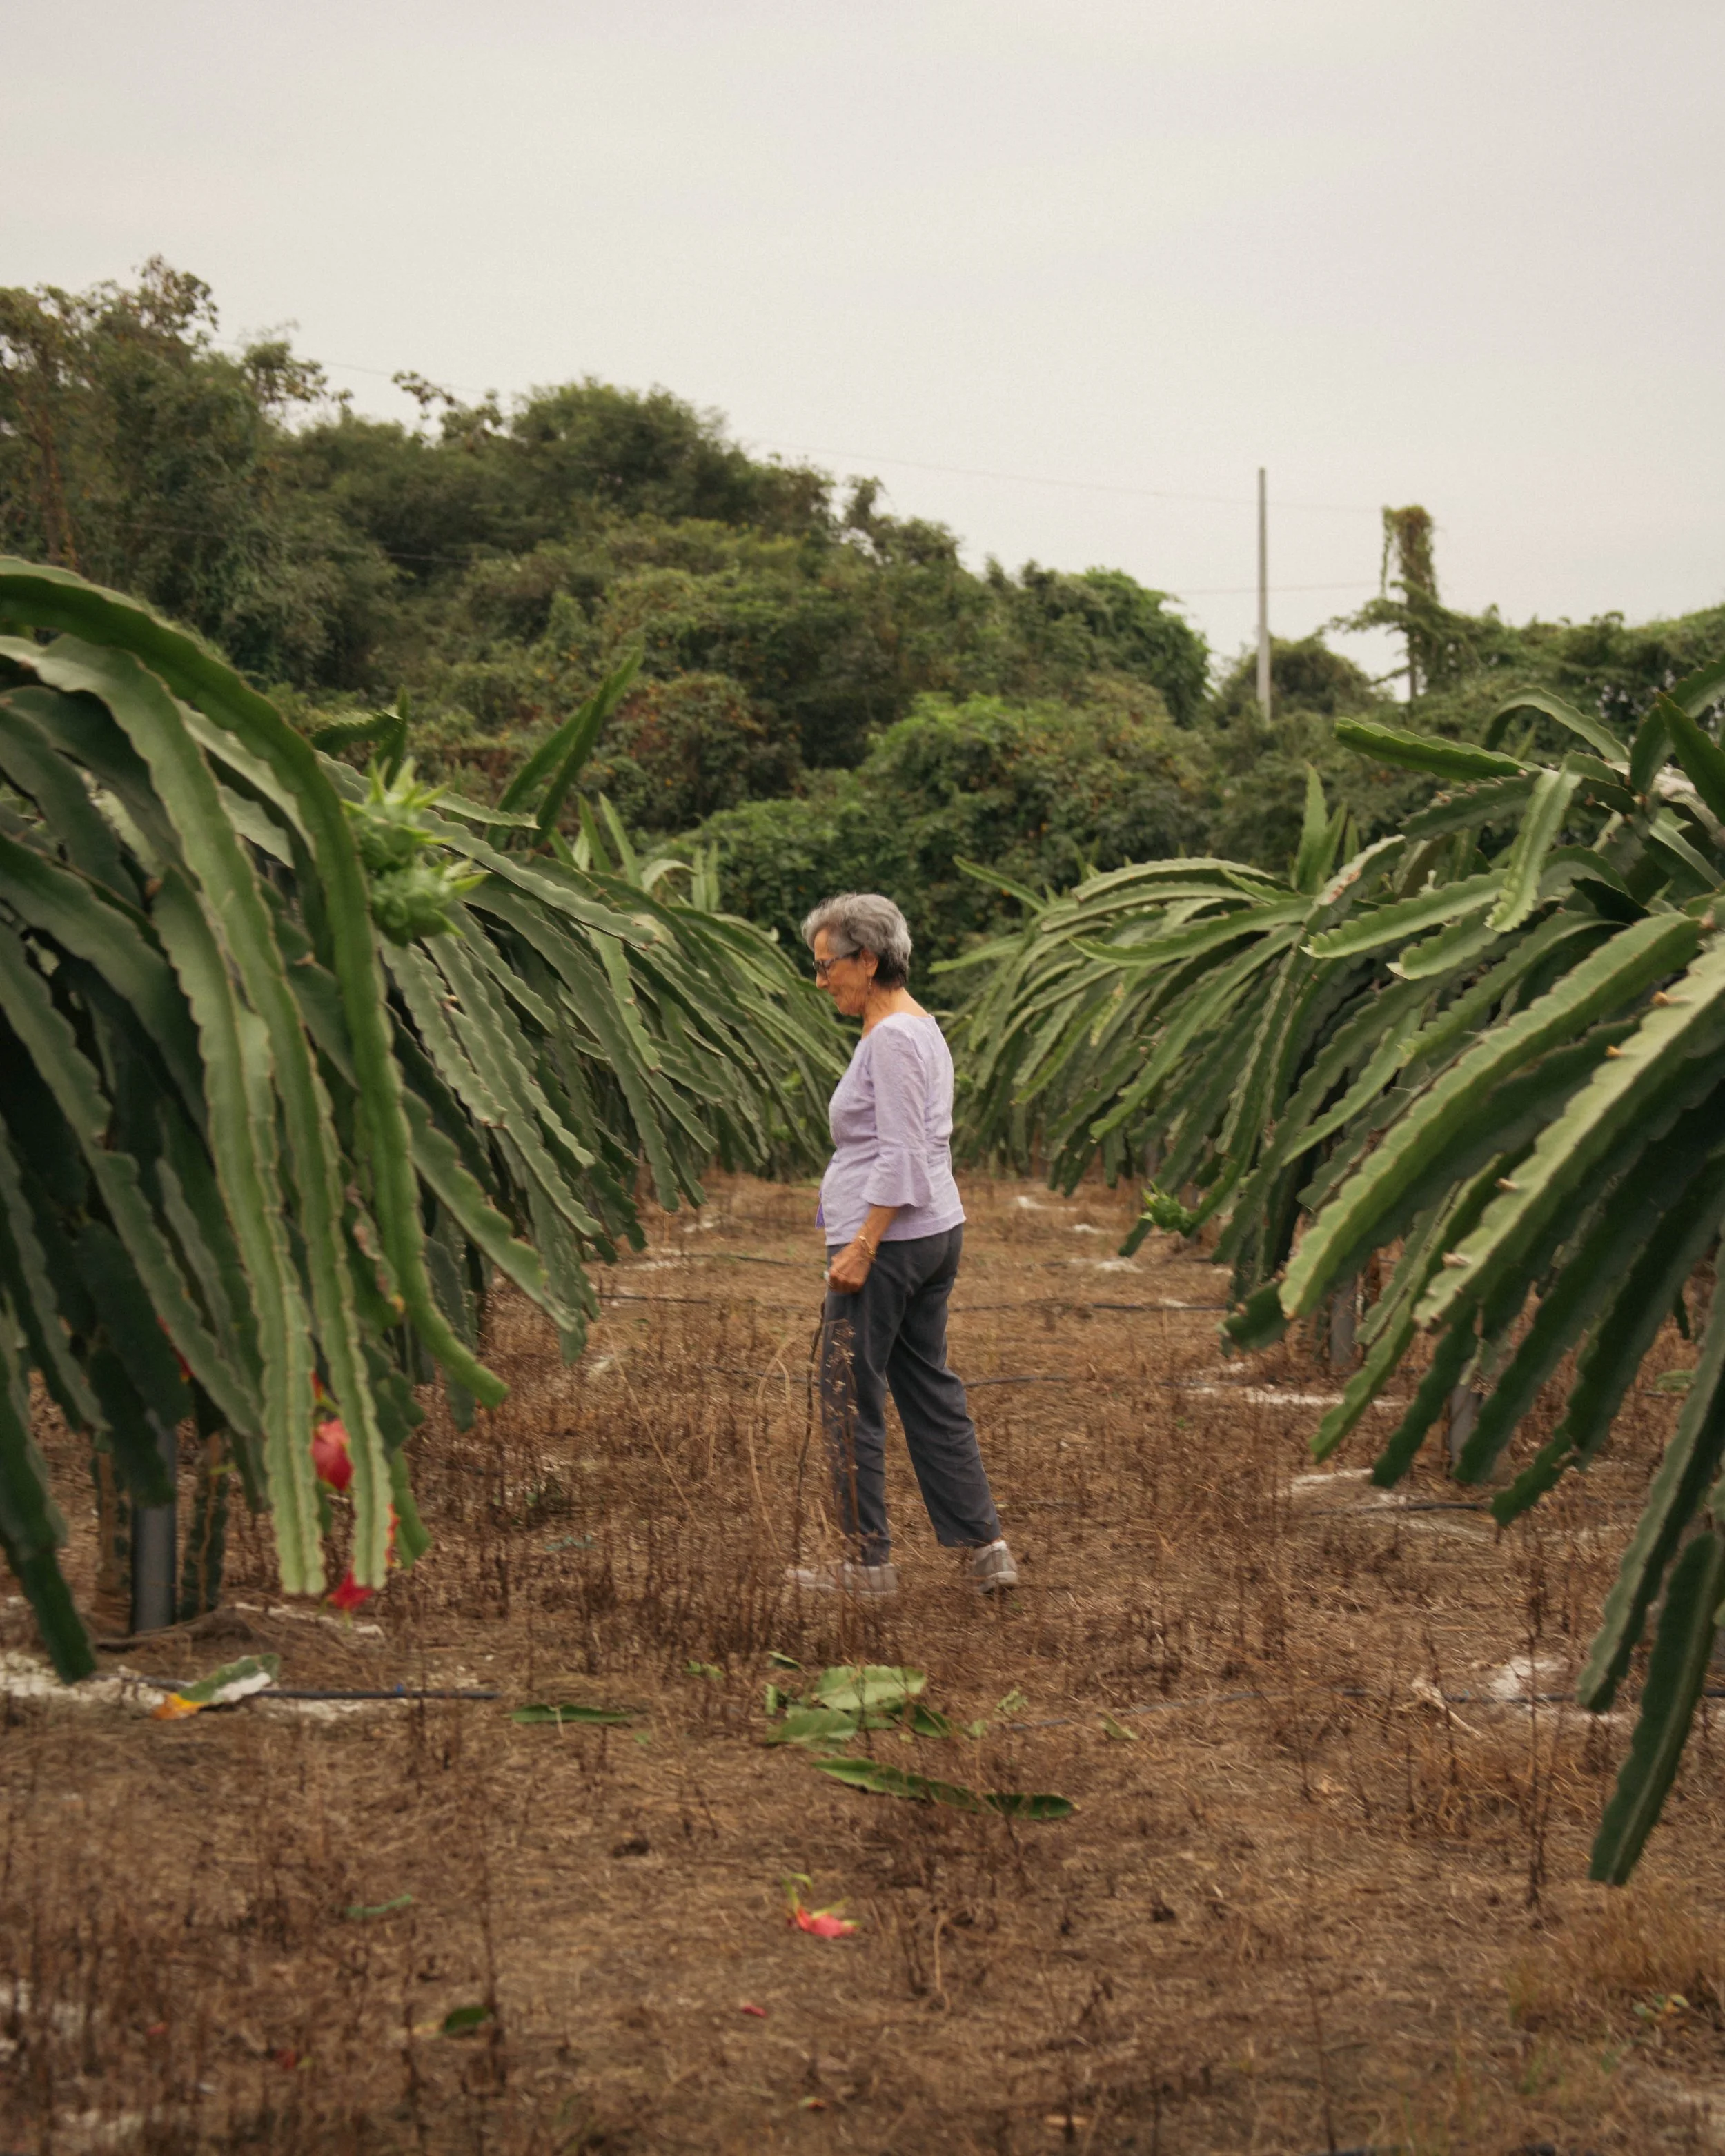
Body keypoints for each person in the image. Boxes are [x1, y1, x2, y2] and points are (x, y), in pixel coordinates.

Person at [789, 892, 1018, 1599]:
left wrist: (861, 1244)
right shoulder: (919, 1027)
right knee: (928, 1389)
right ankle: (987, 1551)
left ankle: (866, 1565)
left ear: (867, 957)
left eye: (828, 964)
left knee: (845, 1391)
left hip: (890, 1243)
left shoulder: (889, 1038)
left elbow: (900, 1155)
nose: (821, 978)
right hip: (932, 1235)